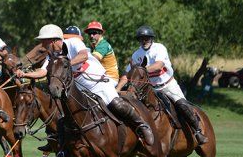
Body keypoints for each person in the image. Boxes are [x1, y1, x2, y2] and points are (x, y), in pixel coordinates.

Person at [15, 24, 154, 146]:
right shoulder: (51, 56)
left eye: (44, 41)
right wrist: (25, 74)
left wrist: (65, 64)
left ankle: (142, 125)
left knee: (116, 104)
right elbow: (43, 71)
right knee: (66, 117)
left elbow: (83, 56)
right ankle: (64, 150)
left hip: (97, 83)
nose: (42, 45)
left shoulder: (73, 42)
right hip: (79, 89)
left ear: (53, 40)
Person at [116, 25, 208, 145]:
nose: (144, 41)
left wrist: (141, 70)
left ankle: (197, 131)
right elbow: (128, 74)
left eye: (147, 38)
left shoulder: (159, 48)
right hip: (149, 89)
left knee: (182, 105)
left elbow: (158, 65)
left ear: (151, 38)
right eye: (141, 39)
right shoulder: (136, 55)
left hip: (167, 85)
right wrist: (117, 89)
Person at [84, 21, 119, 87]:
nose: (91, 36)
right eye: (89, 33)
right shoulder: (95, 45)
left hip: (110, 78)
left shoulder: (103, 45)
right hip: (101, 76)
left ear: (100, 33)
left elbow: (92, 61)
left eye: (94, 33)